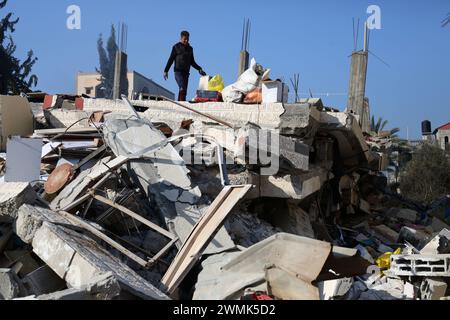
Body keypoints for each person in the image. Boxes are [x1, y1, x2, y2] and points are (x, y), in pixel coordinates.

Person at [164, 31, 207, 101]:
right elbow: (171, 59)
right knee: (182, 88)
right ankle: (181, 104)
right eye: (185, 39)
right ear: (181, 38)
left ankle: (180, 105)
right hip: (178, 72)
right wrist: (166, 71)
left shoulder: (190, 49)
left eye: (187, 39)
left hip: (186, 73)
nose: (186, 41)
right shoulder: (176, 47)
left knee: (184, 91)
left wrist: (199, 69)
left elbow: (192, 62)